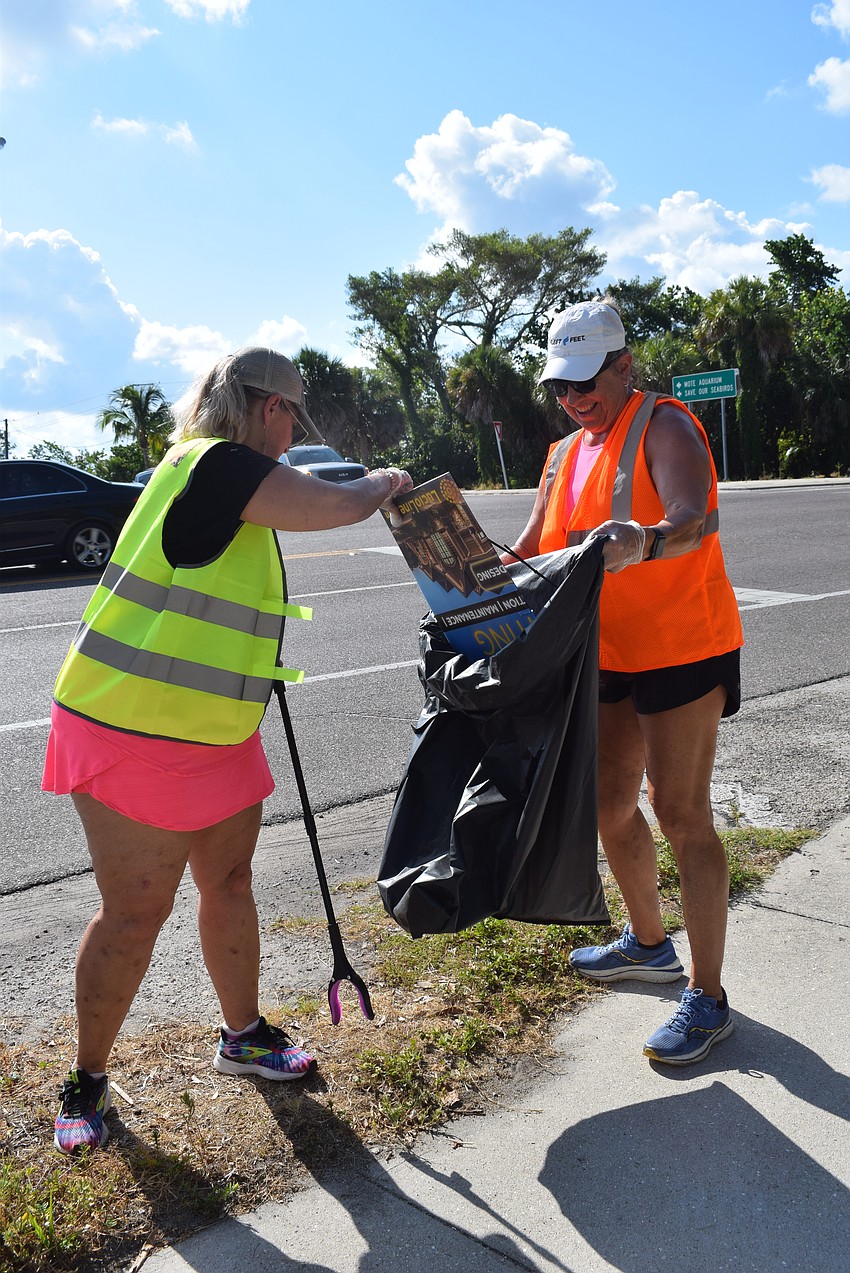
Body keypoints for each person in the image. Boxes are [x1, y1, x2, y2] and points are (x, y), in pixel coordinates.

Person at [42, 346, 412, 1153]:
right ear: (269, 407)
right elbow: (338, 504)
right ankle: (88, 1076)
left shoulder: (214, 472)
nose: (294, 433)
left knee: (231, 880)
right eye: (295, 415)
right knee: (136, 911)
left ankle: (242, 1035)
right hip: (130, 725)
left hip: (213, 730)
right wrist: (386, 481)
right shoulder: (217, 463)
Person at [506, 300, 743, 1066]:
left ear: (623, 366)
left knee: (681, 813)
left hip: (682, 646)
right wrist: (461, 571)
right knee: (609, 806)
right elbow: (530, 548)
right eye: (560, 386)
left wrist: (644, 540)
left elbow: (691, 515)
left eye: (585, 382)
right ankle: (649, 944)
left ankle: (708, 996)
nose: (573, 399)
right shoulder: (559, 455)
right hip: (605, 652)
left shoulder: (663, 424)